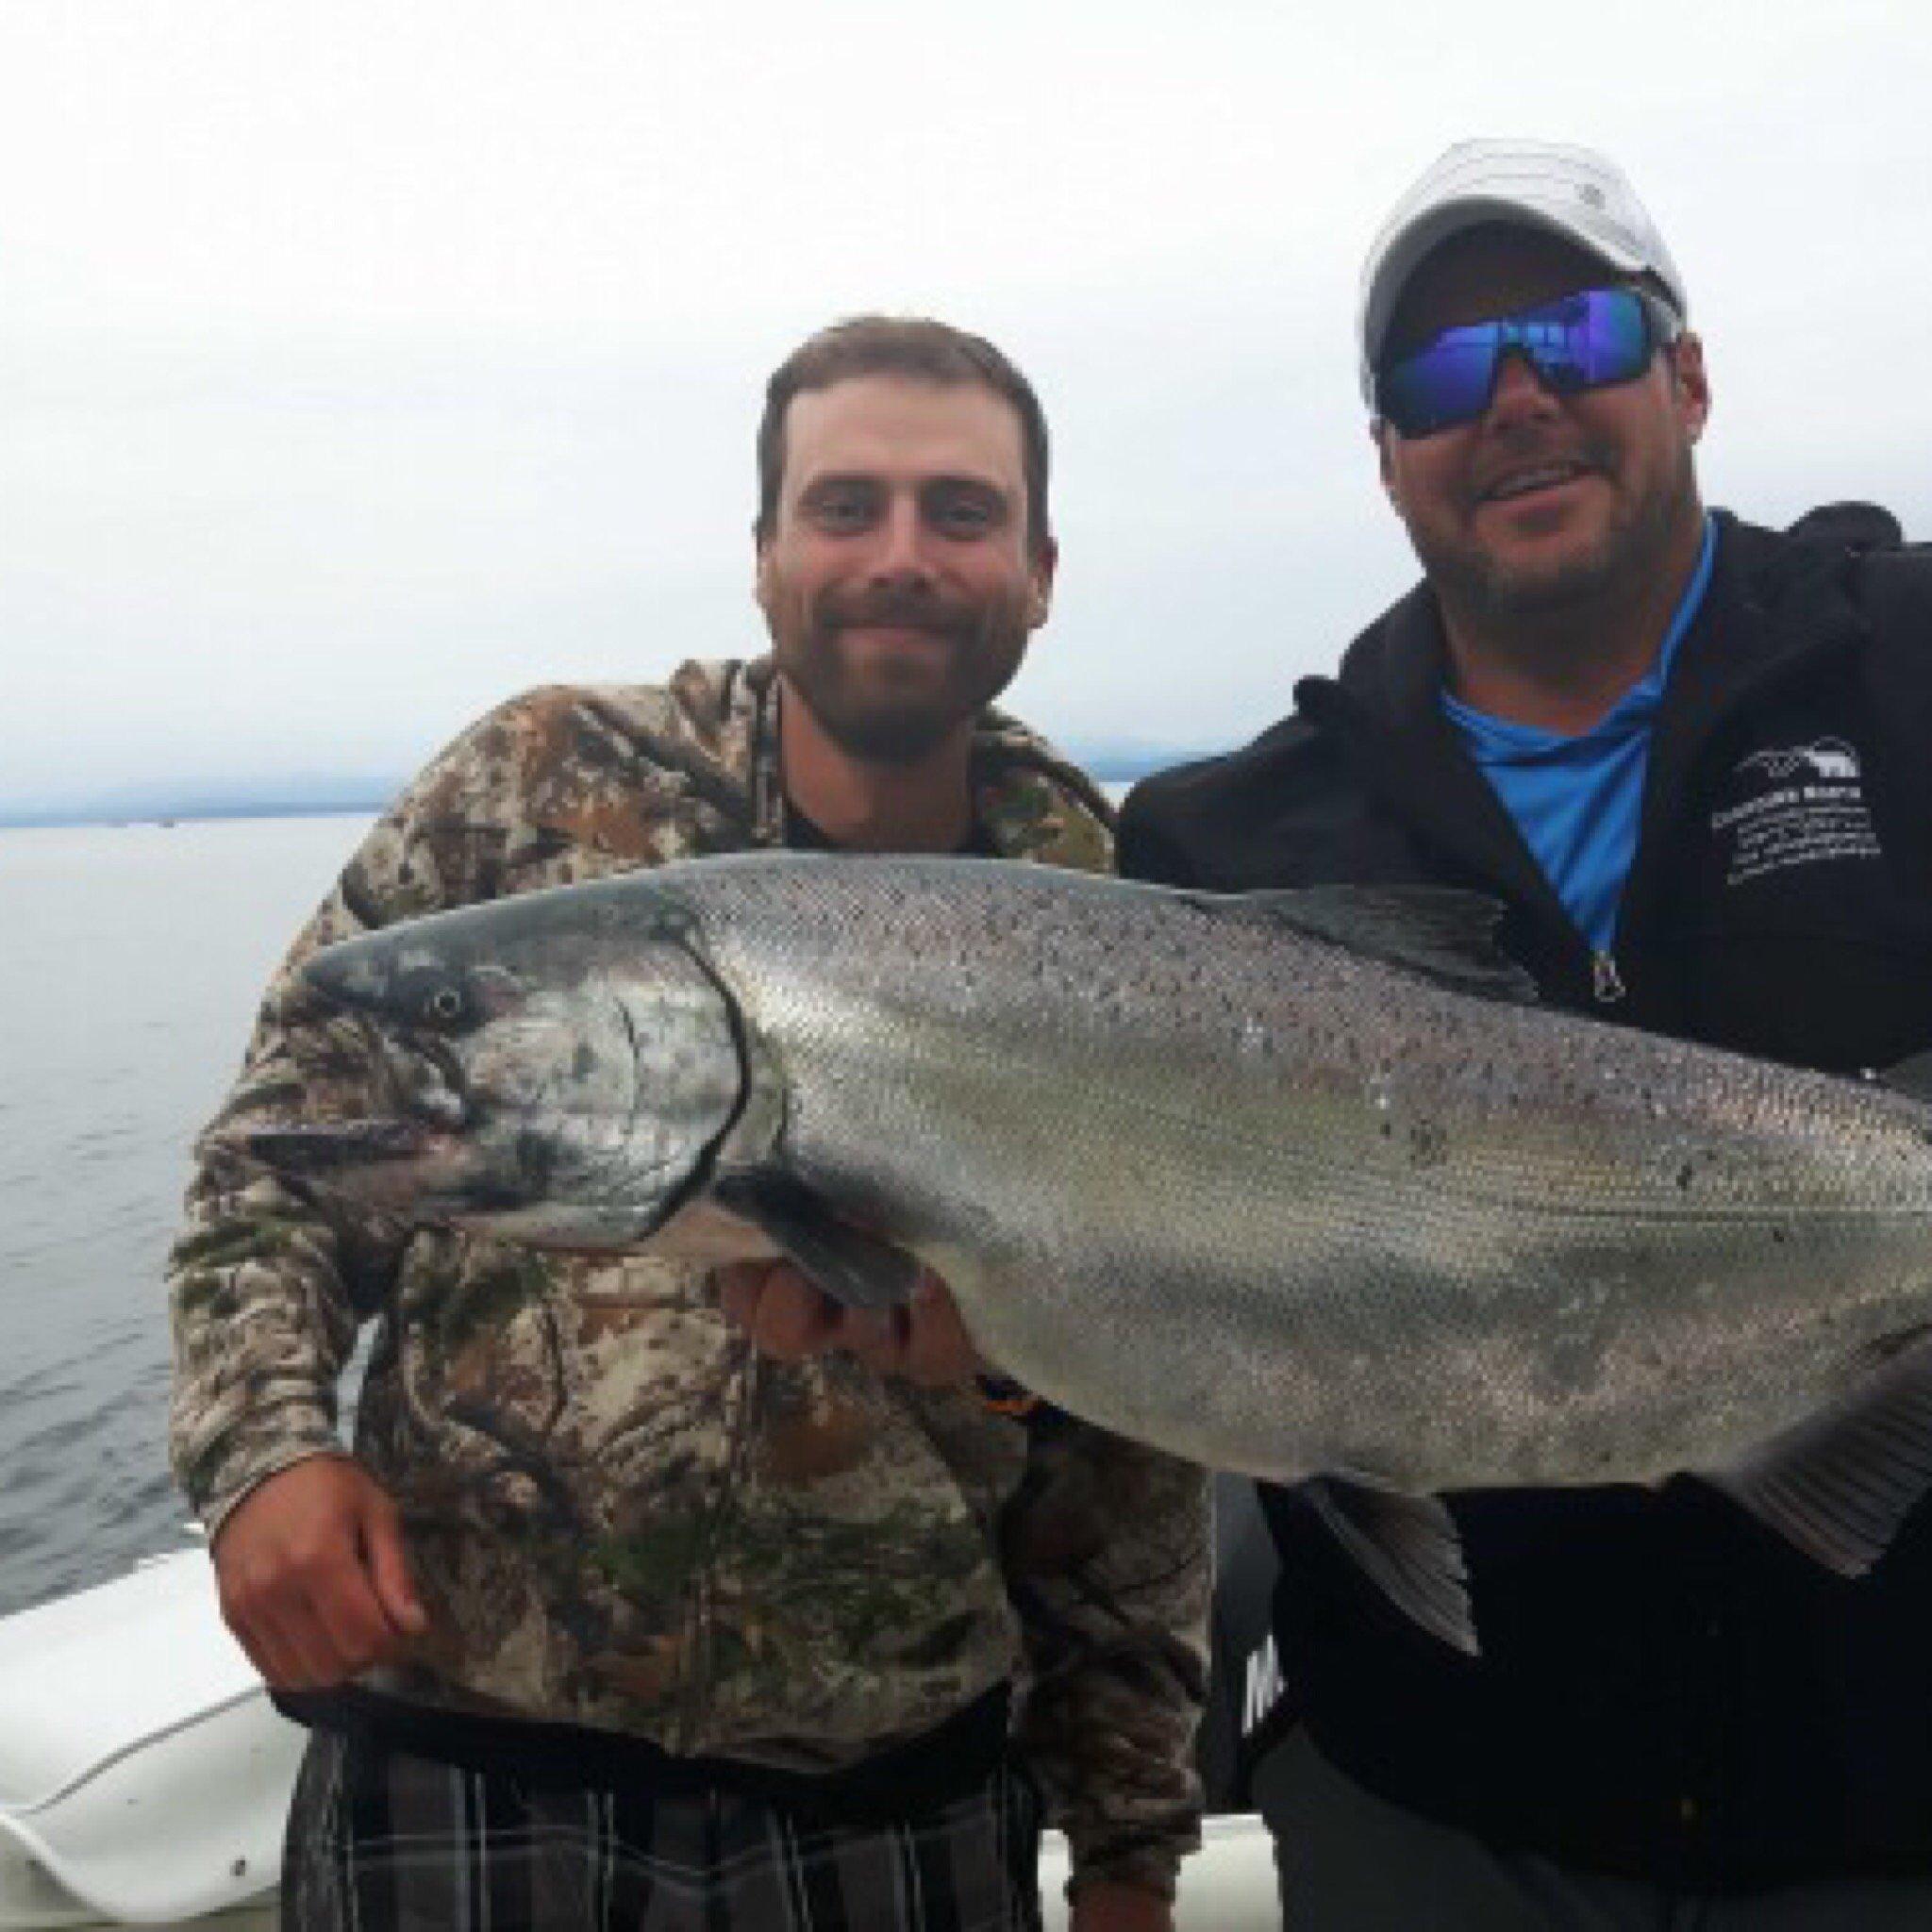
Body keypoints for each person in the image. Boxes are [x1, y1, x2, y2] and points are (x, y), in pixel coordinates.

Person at [168, 314, 1209, 1932]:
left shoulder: (1107, 904)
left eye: (961, 511)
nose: (901, 555)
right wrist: (263, 1457)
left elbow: (1134, 1429)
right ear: (766, 553)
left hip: (891, 1793)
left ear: (1040, 571)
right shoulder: (536, 786)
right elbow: (276, 1171)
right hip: (469, 1752)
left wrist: (1129, 1849)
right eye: (845, 506)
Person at [1119, 137, 1932, 1926]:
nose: (1513, 399)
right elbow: (1133, 1277)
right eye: (1439, 374)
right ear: (1387, 457)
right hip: (1446, 1821)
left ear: (1686, 376)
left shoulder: (1908, 665)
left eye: (1573, 333)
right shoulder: (1225, 849)